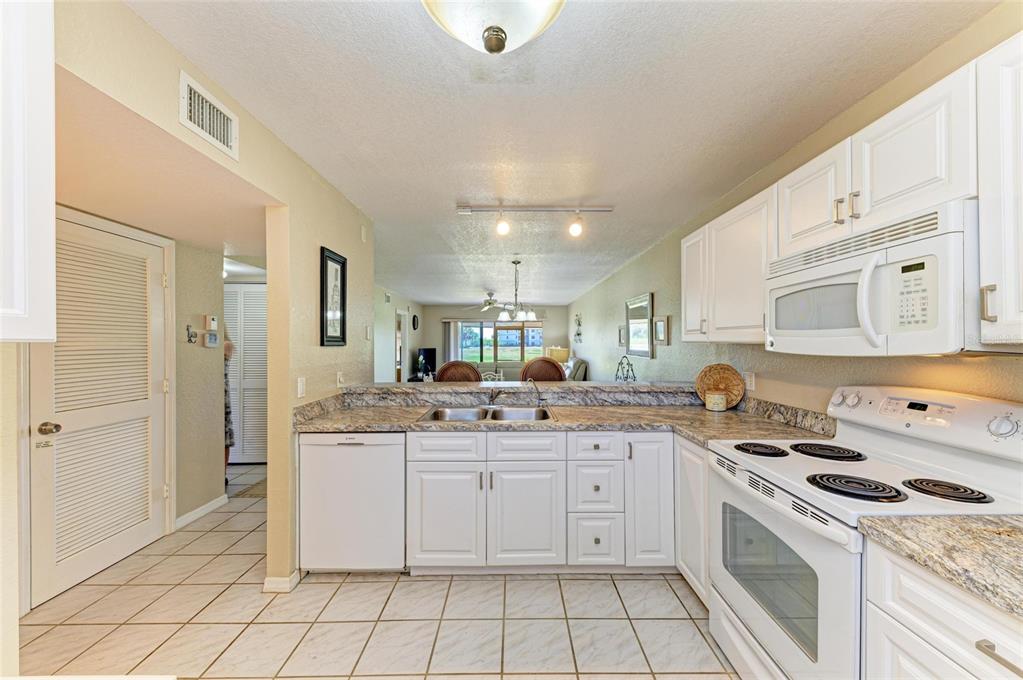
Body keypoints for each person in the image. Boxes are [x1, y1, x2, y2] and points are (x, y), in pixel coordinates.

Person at [223, 325, 235, 485]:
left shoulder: (226, 345)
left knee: (224, 436)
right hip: (217, 393)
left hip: (221, 394)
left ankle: (222, 473)